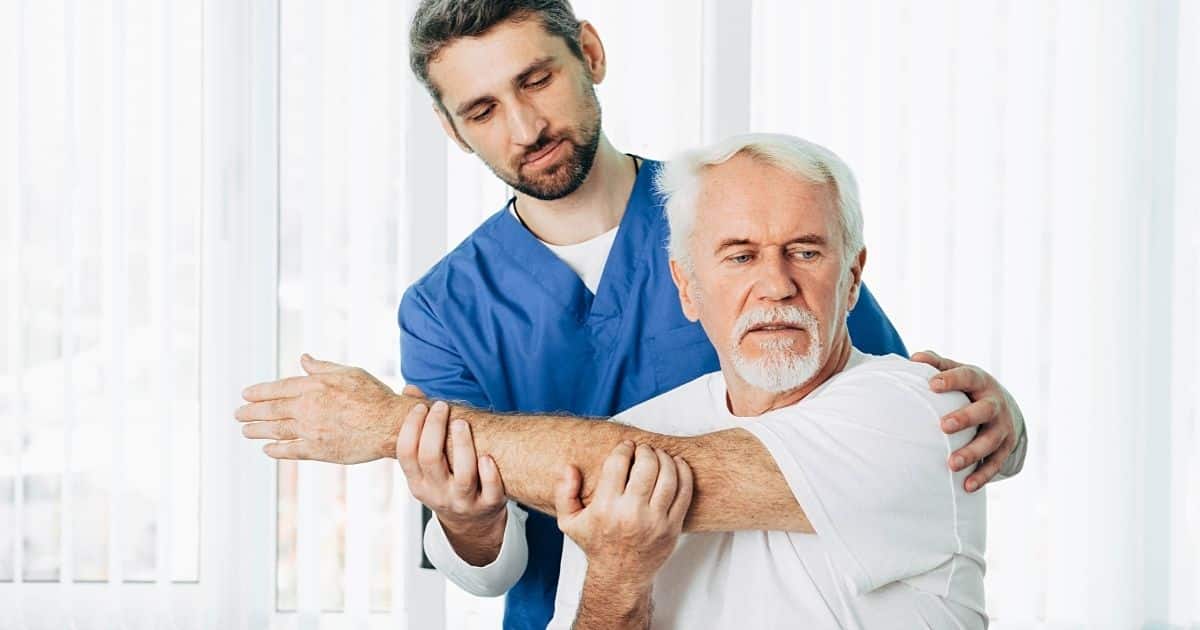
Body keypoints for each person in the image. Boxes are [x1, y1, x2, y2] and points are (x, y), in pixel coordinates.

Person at [235, 2, 1026, 627]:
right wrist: (463, 514)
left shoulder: (735, 222)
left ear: (591, 54)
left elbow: (874, 397)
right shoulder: (445, 307)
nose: (525, 127)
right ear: (451, 129)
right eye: (480, 110)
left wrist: (1002, 420)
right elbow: (488, 566)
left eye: (536, 79)